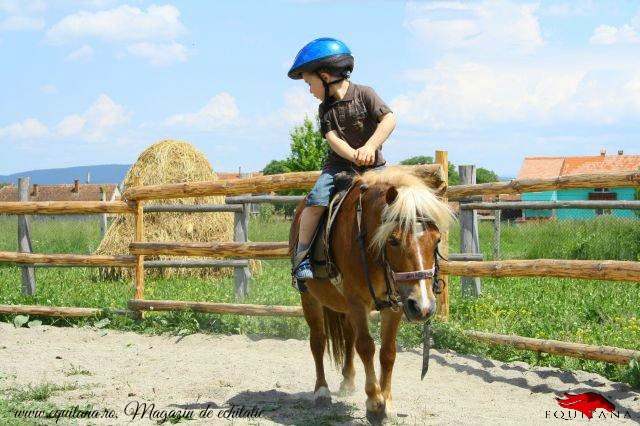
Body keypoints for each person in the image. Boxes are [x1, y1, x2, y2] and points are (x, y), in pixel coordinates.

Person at [288, 37, 396, 283]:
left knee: (395, 206)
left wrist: (370, 146)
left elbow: (388, 119)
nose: (309, 89)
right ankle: (302, 255)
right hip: (337, 167)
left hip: (374, 167)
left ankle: (400, 262)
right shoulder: (324, 108)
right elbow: (332, 138)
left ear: (325, 76)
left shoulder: (365, 94)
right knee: (315, 201)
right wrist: (353, 155)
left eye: (309, 82)